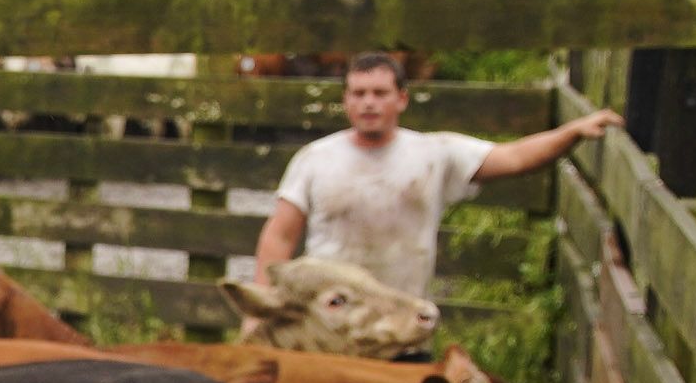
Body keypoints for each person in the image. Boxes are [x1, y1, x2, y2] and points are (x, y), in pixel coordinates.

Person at [253, 51, 622, 302]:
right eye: (359, 93)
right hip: (329, 319)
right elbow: (280, 235)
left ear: (402, 99)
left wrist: (572, 132)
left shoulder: (434, 154)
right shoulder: (315, 159)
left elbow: (512, 158)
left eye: (380, 93)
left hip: (401, 318)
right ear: (346, 100)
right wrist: (263, 305)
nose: (369, 103)